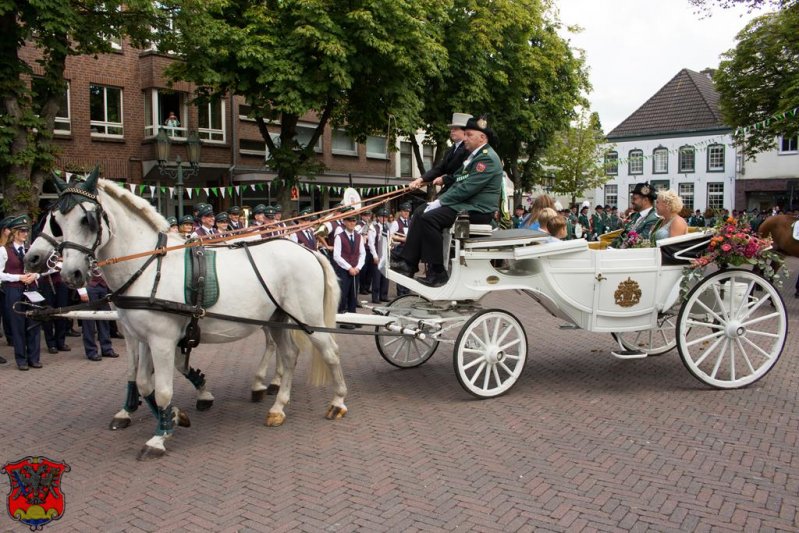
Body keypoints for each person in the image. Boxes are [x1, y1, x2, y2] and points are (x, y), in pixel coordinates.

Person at [392, 116, 503, 287]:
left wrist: (440, 201)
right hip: (467, 205)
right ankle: (409, 263)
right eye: (465, 134)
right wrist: (444, 179)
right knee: (422, 212)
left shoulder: (486, 158)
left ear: (482, 138)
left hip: (478, 210)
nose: (465, 138)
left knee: (430, 218)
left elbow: (466, 188)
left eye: (469, 135)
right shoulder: (476, 156)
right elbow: (459, 177)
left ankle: (437, 272)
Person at [0, 215, 43, 370]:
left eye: (26, 230)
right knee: (18, 326)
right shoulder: (3, 250)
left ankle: (34, 358)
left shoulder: (31, 249)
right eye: (22, 231)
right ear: (14, 232)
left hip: (31, 289)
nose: (25, 233)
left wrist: (35, 275)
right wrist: (19, 277)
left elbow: (42, 269)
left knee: (34, 323)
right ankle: (21, 360)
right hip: (13, 290)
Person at [408, 112, 472, 195]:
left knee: (427, 208)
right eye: (451, 129)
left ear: (465, 132)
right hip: (450, 189)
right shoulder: (450, 150)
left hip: (460, 190)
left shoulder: (469, 149)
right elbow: (439, 169)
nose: (452, 131)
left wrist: (444, 179)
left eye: (455, 129)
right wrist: (420, 179)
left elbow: (463, 174)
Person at [77, 274, 119, 361]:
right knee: (89, 322)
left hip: (103, 287)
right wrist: (82, 291)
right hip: (88, 287)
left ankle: (107, 349)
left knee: (104, 320)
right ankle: (91, 351)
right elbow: (78, 272)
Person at [333, 209, 365, 319]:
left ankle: (352, 316)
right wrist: (349, 267)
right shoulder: (339, 236)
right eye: (349, 221)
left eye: (354, 221)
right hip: (344, 270)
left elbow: (362, 254)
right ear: (344, 222)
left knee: (353, 294)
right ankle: (341, 316)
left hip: (356, 269)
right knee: (343, 294)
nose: (352, 223)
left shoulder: (359, 236)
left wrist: (358, 267)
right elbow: (336, 256)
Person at [611, 182, 661, 248]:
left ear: (645, 200)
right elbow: (624, 235)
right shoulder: (635, 216)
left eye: (634, 199)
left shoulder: (653, 219)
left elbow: (641, 242)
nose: (632, 201)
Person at [389, 202, 412, 295]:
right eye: (404, 211)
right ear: (401, 212)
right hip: (400, 250)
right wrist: (403, 238)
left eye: (408, 211)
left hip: (409, 250)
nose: (406, 213)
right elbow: (390, 235)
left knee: (409, 271)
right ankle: (401, 292)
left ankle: (407, 290)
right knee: (402, 271)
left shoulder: (411, 222)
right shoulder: (396, 223)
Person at [370, 207, 390, 303]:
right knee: (377, 277)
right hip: (378, 254)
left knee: (385, 277)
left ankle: (384, 295)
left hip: (386, 255)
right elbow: (371, 243)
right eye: (382, 217)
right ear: (378, 218)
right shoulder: (373, 228)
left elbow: (389, 241)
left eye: (385, 217)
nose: (384, 219)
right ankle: (375, 297)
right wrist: (375, 255)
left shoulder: (387, 227)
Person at [358, 210, 375, 295]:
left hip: (371, 249)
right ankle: (362, 288)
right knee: (363, 270)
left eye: (369, 215)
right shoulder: (359, 224)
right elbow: (357, 234)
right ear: (362, 216)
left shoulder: (371, 225)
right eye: (366, 215)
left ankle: (367, 287)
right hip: (363, 249)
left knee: (370, 269)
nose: (368, 217)